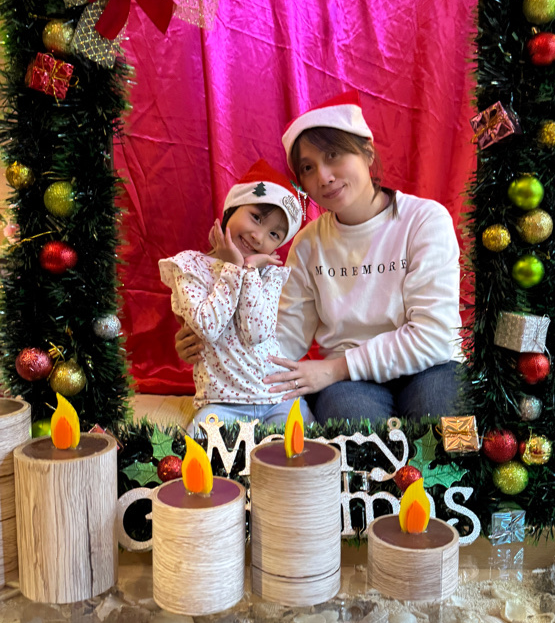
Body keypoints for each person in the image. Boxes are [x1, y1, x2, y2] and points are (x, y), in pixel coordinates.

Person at [176, 91, 463, 424]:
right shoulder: (308, 244)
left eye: (333, 155)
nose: (324, 177)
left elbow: (433, 336)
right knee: (352, 427)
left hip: (431, 366)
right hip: (349, 383)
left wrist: (335, 368)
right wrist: (213, 341)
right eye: (308, 168)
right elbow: (283, 338)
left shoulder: (425, 220)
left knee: (445, 424)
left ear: (367, 151)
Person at [160, 158, 315, 435]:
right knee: (196, 442)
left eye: (274, 234)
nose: (258, 236)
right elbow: (207, 327)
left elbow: (257, 333)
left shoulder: (269, 275)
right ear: (231, 208)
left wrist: (250, 272)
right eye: (256, 217)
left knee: (305, 443)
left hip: (277, 396)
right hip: (223, 402)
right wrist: (233, 268)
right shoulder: (190, 267)